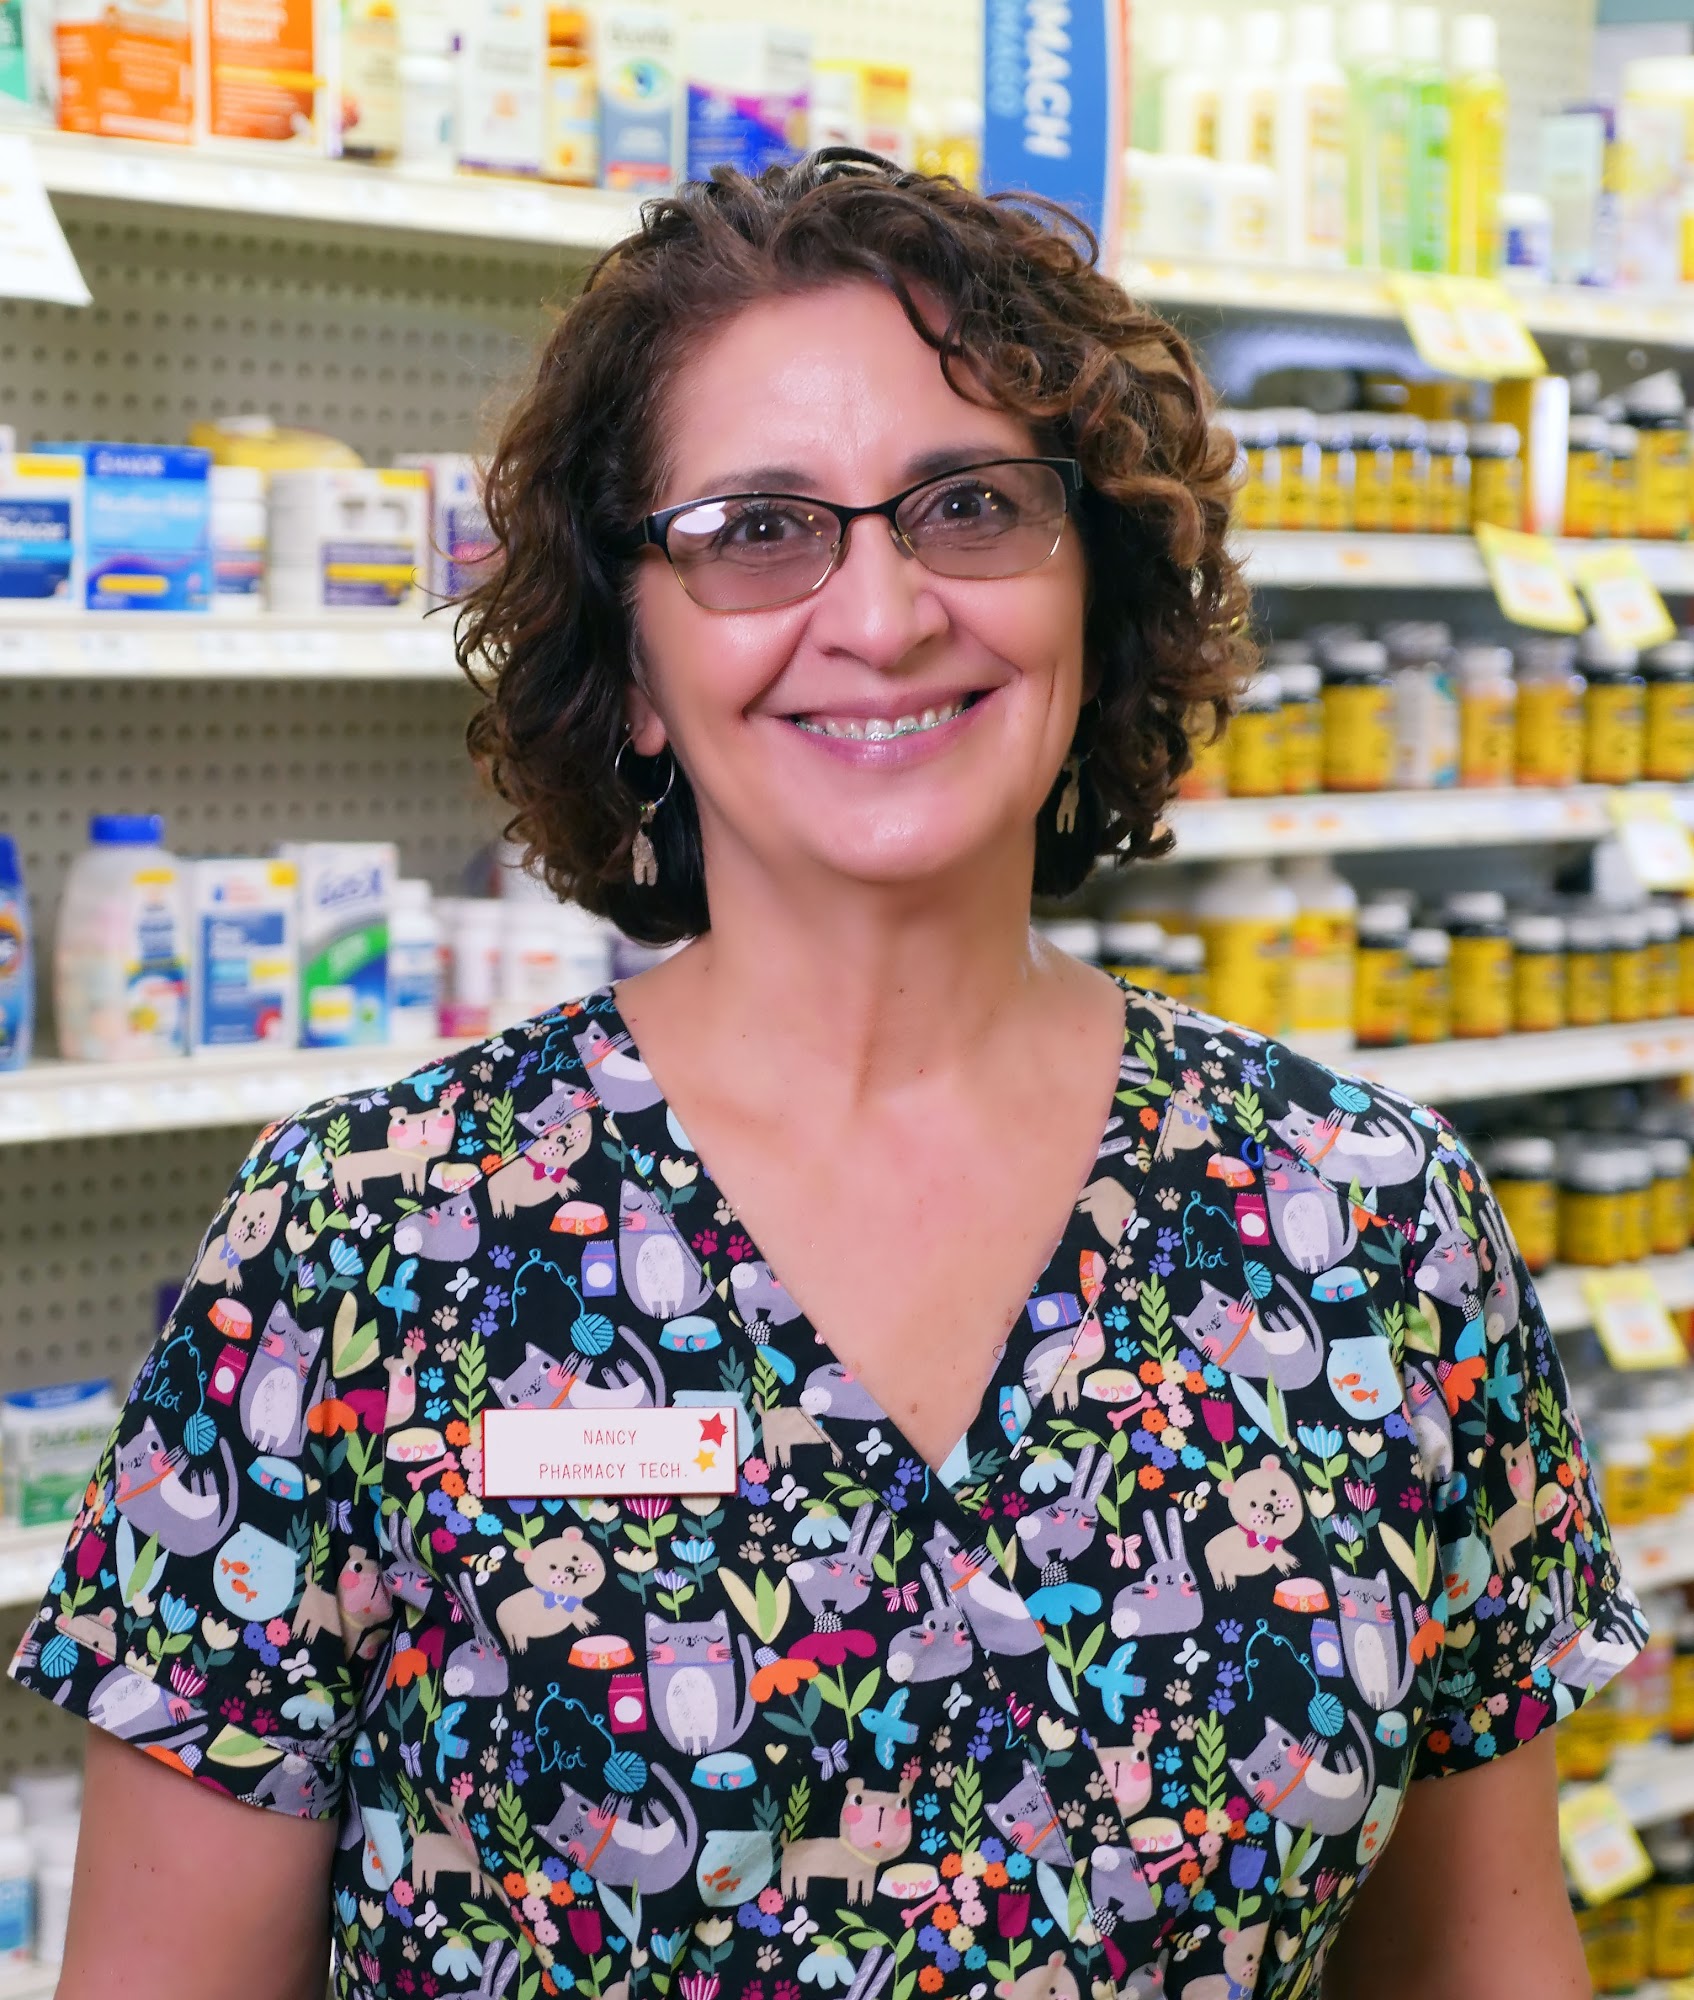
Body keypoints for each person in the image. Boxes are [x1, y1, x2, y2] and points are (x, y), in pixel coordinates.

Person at [13, 151, 1639, 2000]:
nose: (880, 613)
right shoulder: (363, 1241)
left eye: (968, 506)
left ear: (1093, 592)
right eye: (755, 529)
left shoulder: (1369, 1222)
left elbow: (1477, 1966)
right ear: (632, 660)